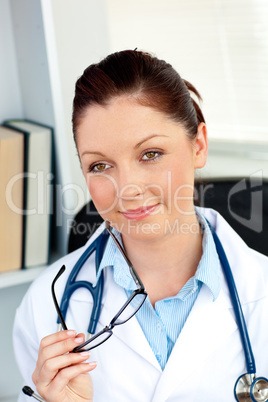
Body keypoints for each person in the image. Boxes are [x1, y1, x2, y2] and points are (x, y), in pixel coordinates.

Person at [13, 50, 268, 402]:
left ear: (198, 145)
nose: (128, 189)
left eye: (150, 154)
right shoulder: (46, 307)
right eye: (100, 166)